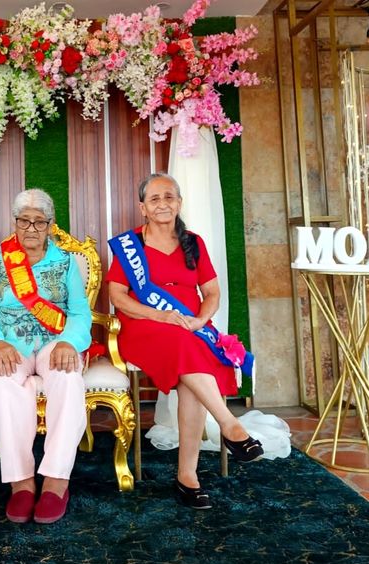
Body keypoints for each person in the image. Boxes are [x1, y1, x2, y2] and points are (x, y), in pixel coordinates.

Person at [106, 173, 263, 510]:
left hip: (190, 327)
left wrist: (200, 320)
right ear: (143, 208)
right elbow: (117, 296)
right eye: (154, 199)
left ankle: (187, 476)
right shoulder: (131, 246)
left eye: (169, 197)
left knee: (189, 358)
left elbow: (212, 293)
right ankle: (228, 424)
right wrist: (160, 315)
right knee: (188, 348)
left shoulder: (194, 242)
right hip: (144, 327)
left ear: (179, 203)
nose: (162, 204)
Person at [0, 189, 91, 524]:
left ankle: (56, 480)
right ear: (15, 222)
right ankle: (21, 482)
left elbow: (80, 313)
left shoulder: (65, 261)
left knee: (67, 377)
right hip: (10, 344)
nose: (31, 228)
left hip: (54, 343)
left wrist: (70, 342)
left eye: (39, 222)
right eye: (24, 221)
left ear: (50, 224)